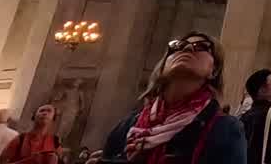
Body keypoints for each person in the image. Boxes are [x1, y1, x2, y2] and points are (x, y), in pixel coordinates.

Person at [93, 31, 246, 164]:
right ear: (164, 65)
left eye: (202, 47)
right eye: (178, 46)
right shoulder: (128, 125)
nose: (186, 48)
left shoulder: (225, 128)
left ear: (214, 71)